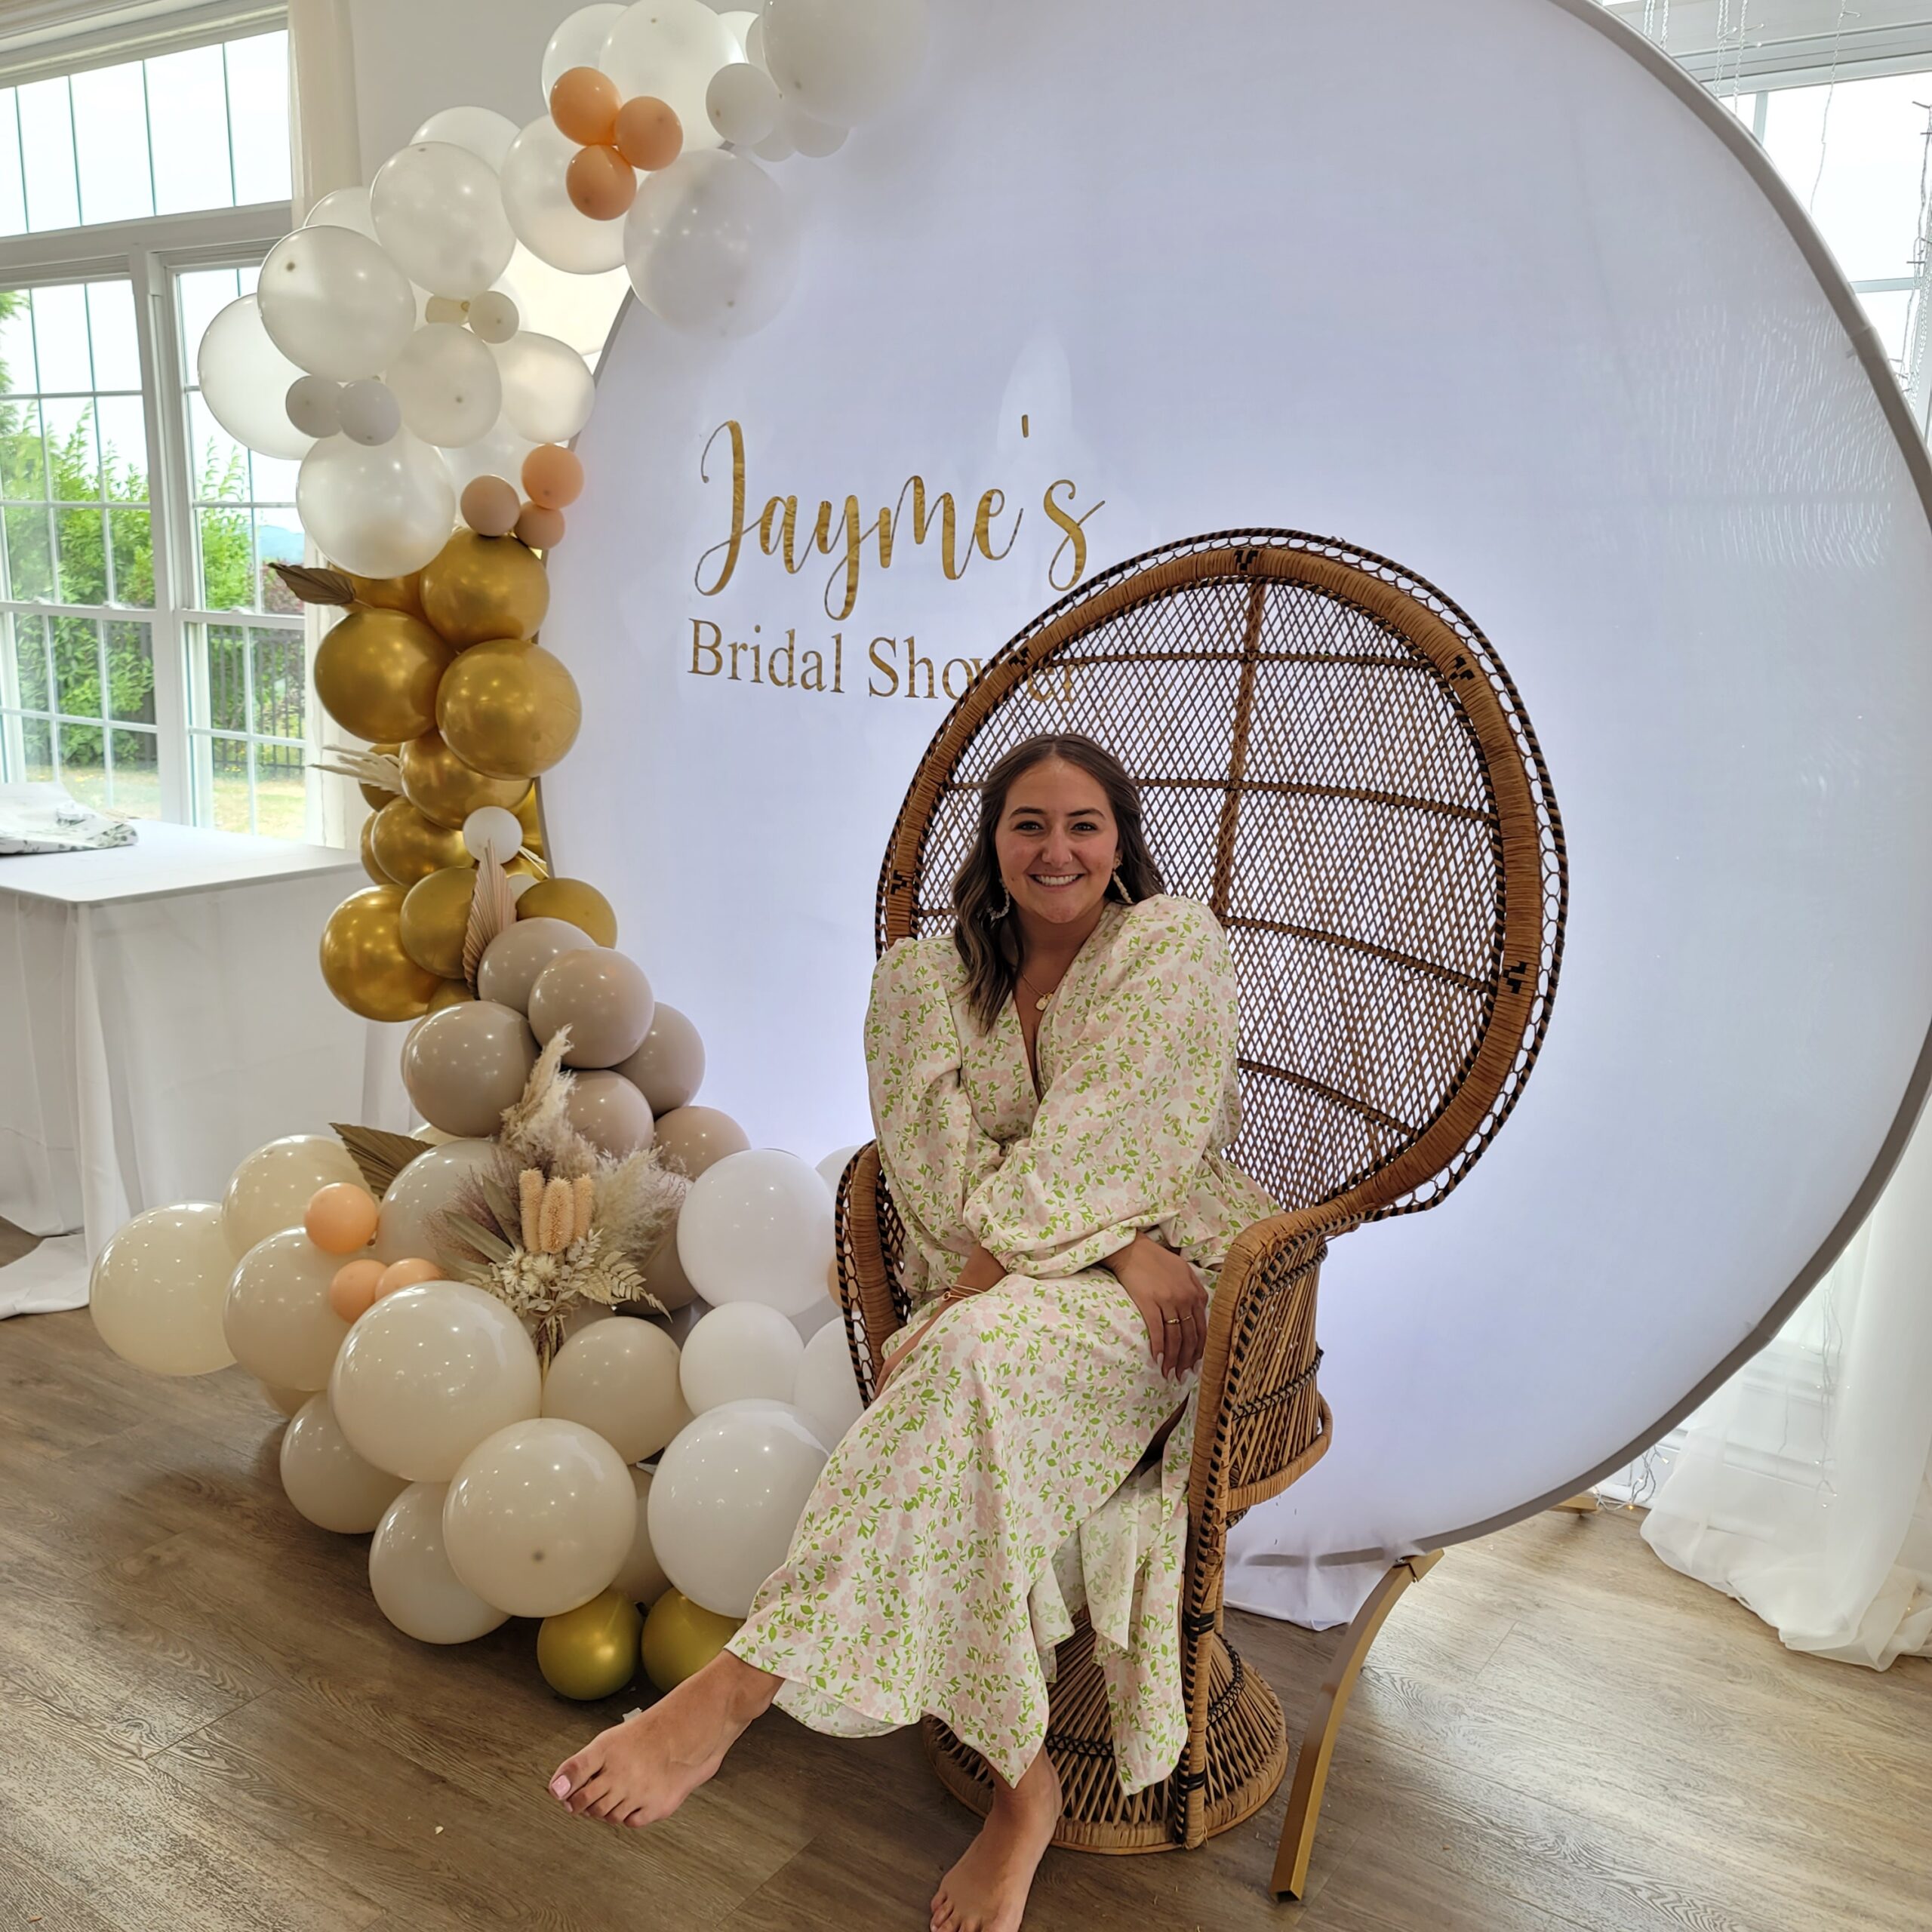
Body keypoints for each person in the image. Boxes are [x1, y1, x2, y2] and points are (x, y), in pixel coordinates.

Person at [548, 731, 1273, 1932]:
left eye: (1084, 824)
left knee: (957, 1357)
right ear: (992, 843)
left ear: (1121, 841)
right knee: (967, 1367)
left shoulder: (1169, 947)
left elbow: (1122, 1139)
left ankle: (732, 1694)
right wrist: (1094, 1236)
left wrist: (1095, 1249)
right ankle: (1023, 1795)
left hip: (1154, 1312)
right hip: (1004, 1296)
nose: (1056, 849)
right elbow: (936, 1188)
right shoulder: (921, 984)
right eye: (1027, 824)